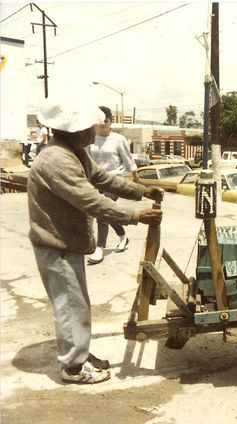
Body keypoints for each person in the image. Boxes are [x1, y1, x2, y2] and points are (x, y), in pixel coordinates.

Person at [28, 96, 163, 384]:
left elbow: (102, 179)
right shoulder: (57, 160)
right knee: (70, 306)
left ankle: (78, 352)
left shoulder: (73, 152)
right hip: (56, 245)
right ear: (76, 131)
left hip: (67, 243)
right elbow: (90, 199)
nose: (94, 132)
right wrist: (136, 215)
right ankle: (73, 367)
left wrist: (141, 191)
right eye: (90, 127)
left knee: (76, 304)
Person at [85, 106, 140, 265]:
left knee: (102, 211)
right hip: (96, 181)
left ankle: (99, 249)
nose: (103, 125)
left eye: (106, 121)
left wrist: (136, 178)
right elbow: (86, 160)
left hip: (114, 181)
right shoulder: (91, 139)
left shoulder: (118, 139)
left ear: (110, 121)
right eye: (101, 122)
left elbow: (128, 160)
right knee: (108, 211)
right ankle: (123, 237)